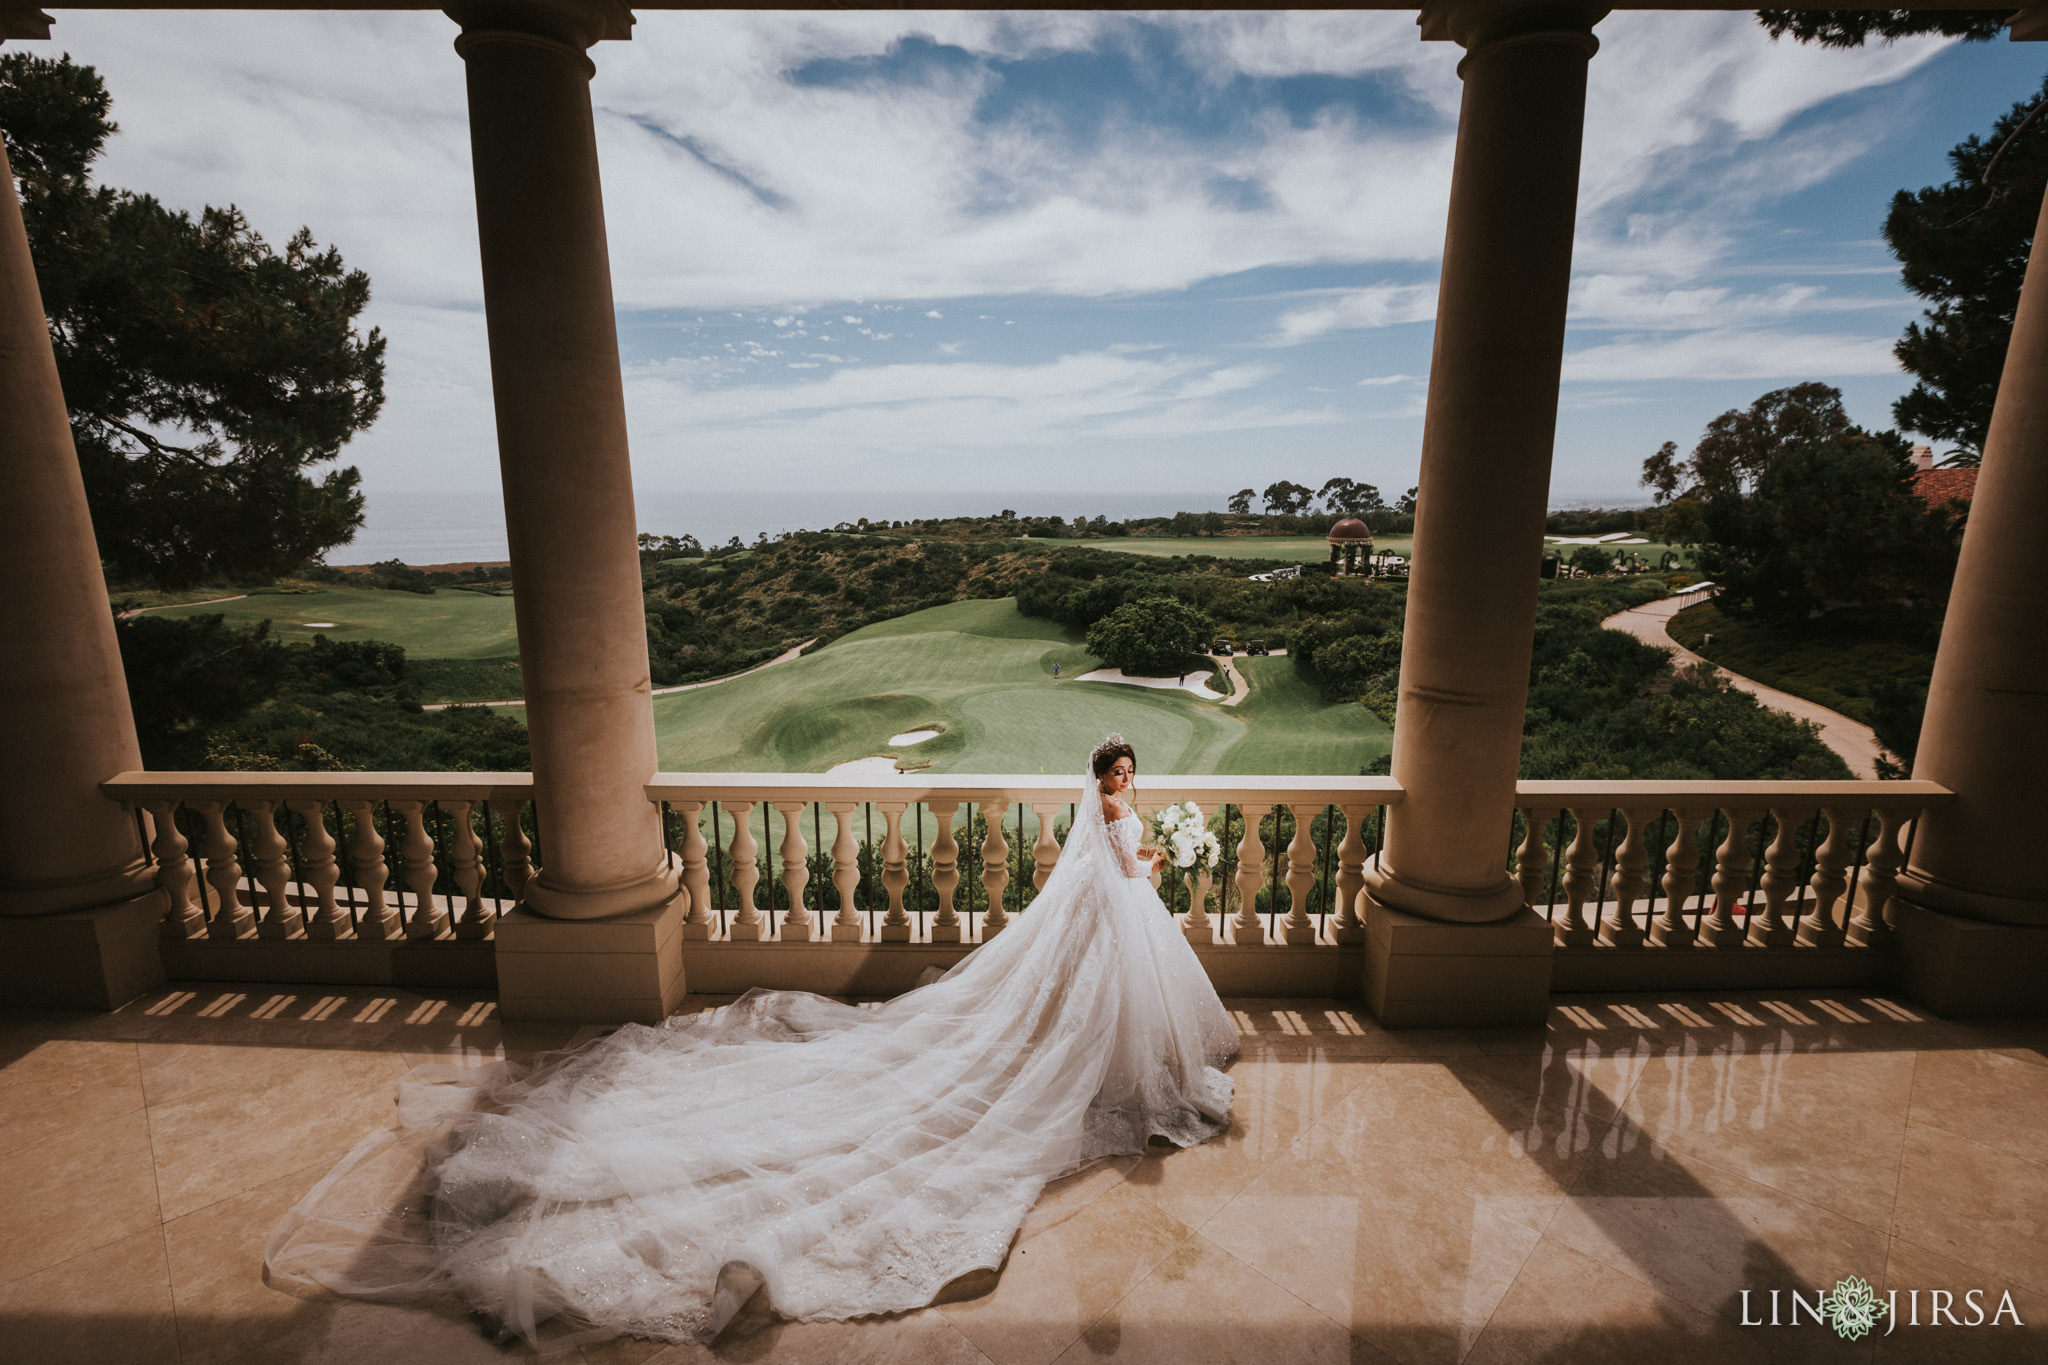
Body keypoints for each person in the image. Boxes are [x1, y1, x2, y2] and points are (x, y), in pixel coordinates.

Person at [267, 734, 1237, 1347]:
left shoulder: (1102, 806)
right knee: (1068, 1032)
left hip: (1111, 928)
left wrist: (1152, 847)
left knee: (1085, 1014)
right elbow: (1129, 873)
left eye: (1125, 774)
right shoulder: (1112, 817)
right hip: (1123, 918)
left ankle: (1123, 1064)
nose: (1123, 782)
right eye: (1118, 773)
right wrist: (1164, 849)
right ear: (1105, 780)